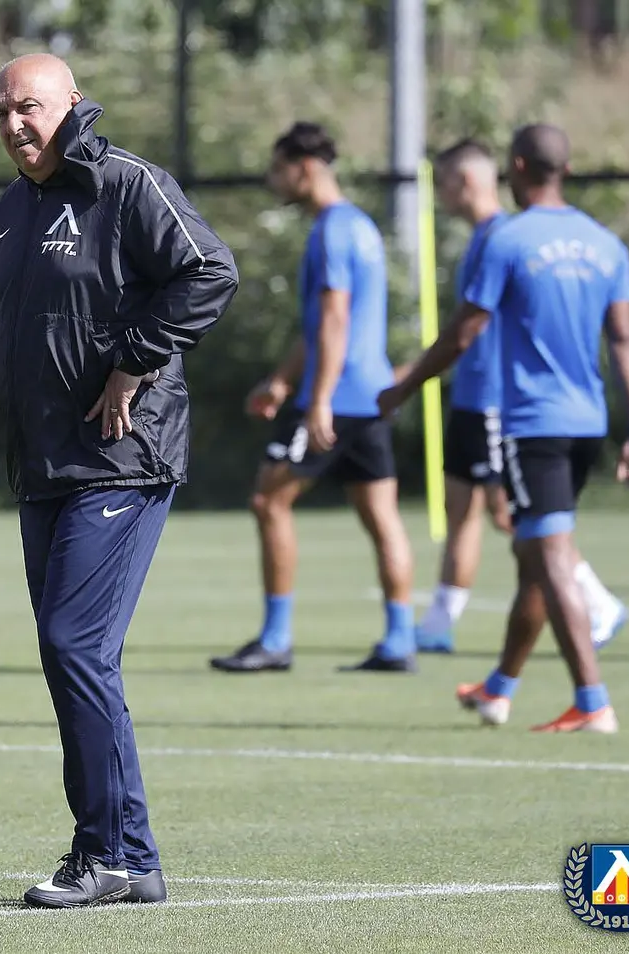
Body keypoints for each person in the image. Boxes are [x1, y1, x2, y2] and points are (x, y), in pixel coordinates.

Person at [0, 54, 238, 908]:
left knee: (75, 647)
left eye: (30, 106)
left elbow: (210, 272)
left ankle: (105, 853)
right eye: (1, 111)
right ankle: (133, 858)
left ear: (72, 104)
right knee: (77, 656)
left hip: (122, 458)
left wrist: (132, 362)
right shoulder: (8, 212)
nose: (15, 123)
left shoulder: (127, 185)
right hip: (43, 467)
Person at [379, 123, 629, 733]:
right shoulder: (605, 243)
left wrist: (404, 385)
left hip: (534, 424)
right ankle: (499, 689)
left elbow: (465, 331)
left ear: (518, 167)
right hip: (588, 421)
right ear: (566, 169)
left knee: (547, 553)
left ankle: (592, 701)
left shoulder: (507, 239)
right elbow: (624, 341)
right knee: (533, 547)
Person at [209, 121, 417, 675]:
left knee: (268, 501)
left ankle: (276, 639)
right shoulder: (360, 226)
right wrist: (282, 380)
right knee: (382, 516)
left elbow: (334, 320)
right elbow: (319, 323)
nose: (272, 180)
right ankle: (400, 641)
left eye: (278, 169)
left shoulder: (331, 231)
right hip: (371, 395)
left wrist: (317, 399)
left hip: (337, 397)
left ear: (304, 168)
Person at [415, 138, 628, 654]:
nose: (440, 197)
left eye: (443, 184)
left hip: (496, 400)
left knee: (516, 516)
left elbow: (478, 330)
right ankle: (440, 620)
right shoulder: (484, 238)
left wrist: (408, 380)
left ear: (466, 182)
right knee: (463, 505)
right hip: (471, 396)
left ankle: (597, 602)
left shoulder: (506, 237)